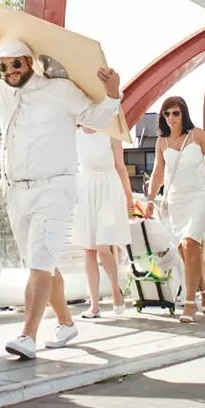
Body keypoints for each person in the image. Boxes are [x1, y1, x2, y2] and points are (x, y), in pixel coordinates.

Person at [0, 29, 120, 357]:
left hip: (55, 187)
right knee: (41, 263)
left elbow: (96, 116)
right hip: (17, 193)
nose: (9, 72)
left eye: (15, 64)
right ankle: (66, 322)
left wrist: (113, 94)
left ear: (29, 62)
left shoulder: (59, 89)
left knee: (40, 263)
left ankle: (28, 336)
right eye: (3, 67)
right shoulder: (4, 94)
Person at [145, 97, 205, 323]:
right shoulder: (161, 142)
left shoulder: (198, 135)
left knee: (191, 244)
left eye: (176, 113)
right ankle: (204, 291)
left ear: (184, 114)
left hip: (200, 197)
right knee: (185, 253)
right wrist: (150, 201)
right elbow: (157, 174)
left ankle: (190, 303)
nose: (171, 118)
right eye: (167, 114)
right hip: (175, 201)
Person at [73, 123, 133, 320]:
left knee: (102, 246)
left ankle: (116, 290)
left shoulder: (110, 131)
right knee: (88, 249)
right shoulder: (75, 133)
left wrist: (129, 199)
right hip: (86, 189)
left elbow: (121, 167)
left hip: (109, 189)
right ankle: (94, 306)